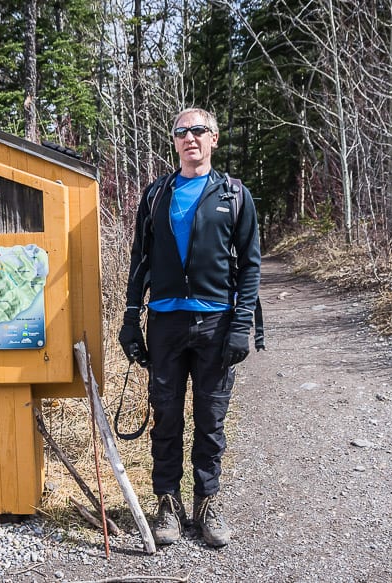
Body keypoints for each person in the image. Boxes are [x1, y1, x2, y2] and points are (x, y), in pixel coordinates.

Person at [118, 107, 261, 547]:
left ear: (214, 138)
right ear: (175, 142)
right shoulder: (157, 194)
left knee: (210, 419)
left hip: (216, 323)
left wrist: (242, 326)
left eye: (198, 130)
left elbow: (250, 266)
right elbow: (140, 258)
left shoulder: (234, 195)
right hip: (164, 323)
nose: (190, 138)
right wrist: (129, 317)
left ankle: (206, 501)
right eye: (181, 132)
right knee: (165, 417)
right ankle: (167, 504)